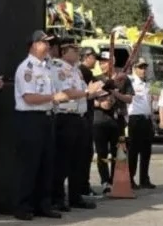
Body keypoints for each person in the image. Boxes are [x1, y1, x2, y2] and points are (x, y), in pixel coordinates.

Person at [13, 30, 67, 221]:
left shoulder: (46, 67)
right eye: (45, 43)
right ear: (35, 45)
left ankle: (43, 204)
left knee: (46, 163)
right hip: (30, 119)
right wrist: (53, 97)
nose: (49, 47)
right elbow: (29, 98)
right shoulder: (27, 68)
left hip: (46, 117)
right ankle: (23, 206)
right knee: (30, 164)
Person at [51, 38, 102, 211]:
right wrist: (88, 92)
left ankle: (75, 196)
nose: (77, 52)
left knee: (77, 162)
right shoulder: (58, 68)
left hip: (79, 117)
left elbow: (82, 93)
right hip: (65, 116)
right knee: (62, 162)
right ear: (64, 51)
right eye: (73, 50)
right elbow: (67, 92)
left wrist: (94, 92)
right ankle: (57, 198)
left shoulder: (76, 71)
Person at [126, 58, 155, 189]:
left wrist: (152, 119)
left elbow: (149, 102)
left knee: (146, 151)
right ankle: (130, 178)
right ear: (134, 69)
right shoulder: (130, 81)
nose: (143, 70)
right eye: (140, 67)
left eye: (144, 67)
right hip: (135, 119)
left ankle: (144, 178)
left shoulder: (146, 84)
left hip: (146, 119)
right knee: (133, 151)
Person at [76, 48, 99, 198]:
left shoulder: (84, 72)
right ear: (87, 57)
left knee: (87, 153)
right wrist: (95, 93)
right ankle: (82, 188)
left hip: (87, 115)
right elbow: (87, 93)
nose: (95, 60)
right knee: (83, 155)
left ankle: (83, 186)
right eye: (94, 57)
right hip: (83, 116)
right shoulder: (83, 72)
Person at [91, 92, 119, 194]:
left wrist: (112, 97)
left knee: (116, 153)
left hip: (113, 123)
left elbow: (110, 103)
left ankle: (114, 180)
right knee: (102, 153)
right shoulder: (95, 87)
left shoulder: (112, 87)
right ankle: (105, 181)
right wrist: (103, 100)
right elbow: (103, 104)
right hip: (98, 123)